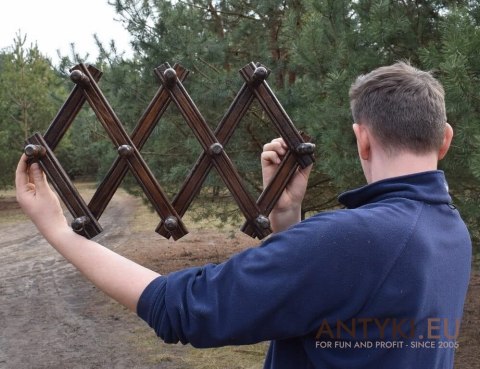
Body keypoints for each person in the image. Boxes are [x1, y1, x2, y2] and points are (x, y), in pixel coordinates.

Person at [15, 61, 471, 369]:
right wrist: (286, 216)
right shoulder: (449, 230)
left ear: (362, 139)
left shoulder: (354, 239)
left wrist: (58, 231)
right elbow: (332, 316)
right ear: (445, 138)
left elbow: (184, 309)